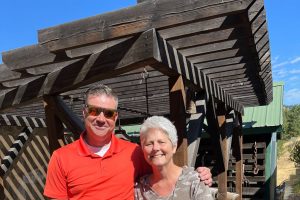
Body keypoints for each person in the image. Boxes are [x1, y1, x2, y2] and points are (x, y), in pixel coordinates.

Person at [44, 84, 212, 200]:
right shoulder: (60, 158)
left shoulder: (134, 153)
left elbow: (162, 169)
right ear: (84, 113)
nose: (101, 119)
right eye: (94, 111)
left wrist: (199, 174)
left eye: (108, 113)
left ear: (115, 117)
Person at [135, 116, 214, 200]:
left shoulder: (194, 182)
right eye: (149, 144)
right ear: (143, 149)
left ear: (174, 146)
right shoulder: (139, 189)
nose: (155, 148)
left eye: (161, 142)